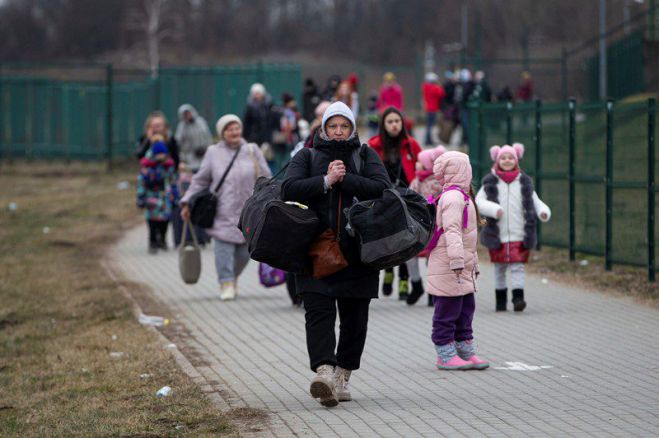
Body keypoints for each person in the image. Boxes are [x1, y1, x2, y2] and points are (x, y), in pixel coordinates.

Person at [281, 101, 390, 407]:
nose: (339, 132)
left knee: (355, 320)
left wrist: (347, 180)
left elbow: (384, 189)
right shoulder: (307, 155)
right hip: (315, 250)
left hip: (359, 254)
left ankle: (343, 375)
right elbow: (288, 188)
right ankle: (324, 372)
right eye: (333, 126)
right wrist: (325, 182)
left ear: (352, 128)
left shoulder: (365, 155)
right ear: (324, 128)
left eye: (344, 126)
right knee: (318, 313)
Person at [181, 114, 272, 301]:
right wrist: (186, 200)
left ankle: (233, 276)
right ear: (222, 133)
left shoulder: (252, 150)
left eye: (237, 128)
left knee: (244, 254)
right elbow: (200, 180)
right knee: (223, 249)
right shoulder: (213, 152)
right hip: (222, 211)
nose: (234, 132)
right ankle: (226, 282)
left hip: (248, 212)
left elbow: (266, 177)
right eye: (230, 129)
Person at [427, 151, 489, 370]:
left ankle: (465, 349)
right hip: (450, 265)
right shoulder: (453, 198)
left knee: (466, 308)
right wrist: (456, 260)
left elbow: (469, 237)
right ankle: (445, 352)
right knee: (447, 309)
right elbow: (452, 231)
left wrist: (473, 263)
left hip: (462, 265)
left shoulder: (463, 196)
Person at [475, 143, 551, 312]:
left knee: (518, 266)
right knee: (499, 268)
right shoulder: (489, 182)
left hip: (519, 233)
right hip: (497, 234)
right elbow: (478, 202)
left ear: (516, 159)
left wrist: (543, 212)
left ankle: (518, 298)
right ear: (497, 159)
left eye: (510, 157)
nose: (507, 160)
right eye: (503, 157)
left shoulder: (524, 182)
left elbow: (535, 201)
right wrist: (494, 210)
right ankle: (500, 301)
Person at [368, 107, 421, 300]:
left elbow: (422, 167)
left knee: (405, 239)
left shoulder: (410, 145)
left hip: (407, 197)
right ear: (383, 124)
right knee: (388, 238)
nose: (394, 125)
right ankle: (389, 271)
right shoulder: (374, 145)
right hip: (384, 197)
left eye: (397, 121)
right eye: (390, 121)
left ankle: (405, 279)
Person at [408, 146, 446, 306]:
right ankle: (416, 284)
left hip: (433, 227)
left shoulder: (437, 183)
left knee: (432, 259)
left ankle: (433, 291)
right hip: (417, 227)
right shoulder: (416, 181)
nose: (416, 164)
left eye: (419, 162)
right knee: (410, 257)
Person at [136, 136, 178, 254]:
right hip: (151, 196)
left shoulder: (169, 165)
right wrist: (140, 198)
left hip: (165, 197)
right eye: (158, 154)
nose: (160, 156)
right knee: (152, 221)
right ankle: (153, 241)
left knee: (165, 220)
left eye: (162, 154)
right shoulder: (147, 165)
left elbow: (173, 180)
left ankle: (163, 240)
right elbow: (141, 183)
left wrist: (175, 196)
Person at [243, 83, 277, 164]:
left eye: (258, 93)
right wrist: (246, 136)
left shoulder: (269, 104)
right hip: (254, 137)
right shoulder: (250, 107)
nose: (257, 95)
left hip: (268, 136)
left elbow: (273, 119)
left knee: (268, 159)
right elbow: (246, 123)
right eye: (255, 93)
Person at [174, 104, 213, 172]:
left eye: (188, 113)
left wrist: (208, 149)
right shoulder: (182, 127)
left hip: (204, 155)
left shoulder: (201, 122)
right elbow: (179, 143)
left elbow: (208, 136)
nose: (188, 115)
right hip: (190, 158)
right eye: (185, 114)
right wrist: (182, 159)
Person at [421, 72, 446, 146]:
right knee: (430, 125)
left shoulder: (425, 87)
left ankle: (428, 139)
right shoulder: (434, 87)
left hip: (428, 108)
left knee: (429, 125)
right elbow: (441, 93)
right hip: (432, 108)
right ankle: (428, 140)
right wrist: (438, 85)